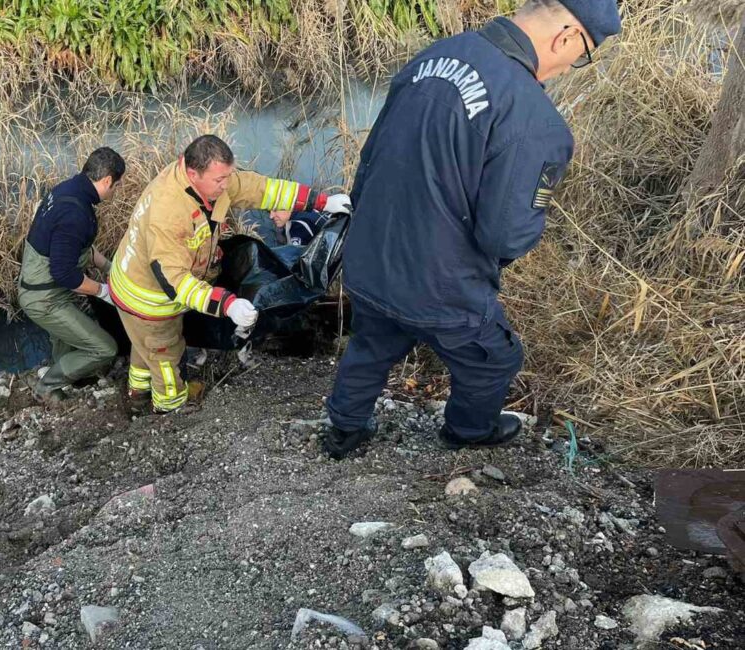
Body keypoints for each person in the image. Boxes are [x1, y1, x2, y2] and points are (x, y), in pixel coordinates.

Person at [324, 0, 621, 458]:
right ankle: (467, 431)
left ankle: (345, 429)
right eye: (579, 56)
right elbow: (506, 235)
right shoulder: (535, 119)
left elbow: (370, 161)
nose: (567, 69)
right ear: (565, 37)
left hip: (371, 256)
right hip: (440, 281)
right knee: (494, 359)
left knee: (372, 341)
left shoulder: (433, 56)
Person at [109, 135, 352, 413]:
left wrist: (320, 201)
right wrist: (227, 304)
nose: (226, 185)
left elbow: (263, 190)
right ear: (193, 173)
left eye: (228, 176)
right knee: (166, 353)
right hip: (148, 298)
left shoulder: (209, 182)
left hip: (131, 281)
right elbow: (175, 282)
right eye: (219, 180)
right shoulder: (169, 212)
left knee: (144, 346)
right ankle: (170, 408)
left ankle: (137, 392)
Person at [18, 147, 126, 403]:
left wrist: (111, 269)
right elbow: (66, 275)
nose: (115, 191)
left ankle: (68, 371)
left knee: (64, 335)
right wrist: (104, 292)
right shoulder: (75, 213)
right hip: (43, 298)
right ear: (107, 180)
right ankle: (47, 387)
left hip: (43, 287)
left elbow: (80, 248)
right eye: (116, 185)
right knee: (105, 348)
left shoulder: (69, 190)